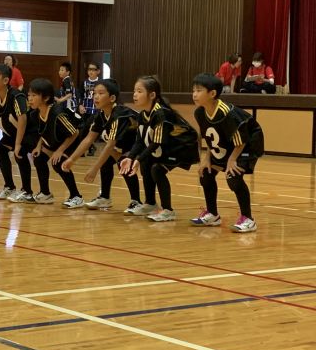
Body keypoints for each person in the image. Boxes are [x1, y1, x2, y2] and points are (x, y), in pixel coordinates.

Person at [119, 76, 199, 222]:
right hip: (166, 147)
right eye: (134, 91)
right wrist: (130, 158)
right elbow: (140, 141)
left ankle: (168, 210)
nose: (135, 95)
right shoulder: (143, 114)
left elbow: (156, 142)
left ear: (152, 95)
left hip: (182, 147)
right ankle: (150, 203)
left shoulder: (161, 113)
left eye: (139, 91)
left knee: (157, 169)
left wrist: (138, 159)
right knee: (146, 163)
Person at [191, 73, 264, 233]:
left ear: (212, 93)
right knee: (206, 174)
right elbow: (210, 137)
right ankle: (213, 215)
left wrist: (232, 160)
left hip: (248, 144)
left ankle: (248, 219)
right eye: (193, 90)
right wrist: (207, 158)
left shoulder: (226, 113)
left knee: (234, 178)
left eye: (199, 90)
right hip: (228, 145)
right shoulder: (200, 113)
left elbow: (241, 140)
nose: (194, 94)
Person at [62, 79, 142, 212]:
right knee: (106, 162)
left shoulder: (119, 115)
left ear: (112, 98)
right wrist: (71, 159)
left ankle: (137, 201)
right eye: (94, 93)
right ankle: (105, 197)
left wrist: (94, 169)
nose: (96, 97)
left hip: (143, 145)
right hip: (125, 146)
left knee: (123, 163)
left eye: (100, 93)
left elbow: (110, 145)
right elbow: (88, 139)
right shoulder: (100, 115)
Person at [28, 78, 84, 208]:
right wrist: (38, 146)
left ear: (46, 98)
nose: (30, 99)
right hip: (57, 141)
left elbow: (74, 133)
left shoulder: (58, 114)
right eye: (29, 95)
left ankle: (76, 196)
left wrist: (60, 151)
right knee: (39, 158)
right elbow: (42, 131)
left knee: (59, 163)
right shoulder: (34, 114)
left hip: (73, 140)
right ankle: (45, 193)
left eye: (34, 96)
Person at [0, 63, 35, 202]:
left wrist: (18, 144)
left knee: (20, 153)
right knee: (0, 150)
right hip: (11, 134)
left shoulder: (16, 96)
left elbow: (23, 119)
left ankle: (27, 192)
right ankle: (9, 187)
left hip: (28, 133)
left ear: (6, 80)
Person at [78, 62, 102, 156]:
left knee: (91, 130)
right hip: (85, 109)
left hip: (96, 110)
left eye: (93, 69)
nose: (91, 71)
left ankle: (90, 147)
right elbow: (80, 95)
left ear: (98, 71)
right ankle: (87, 148)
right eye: (89, 69)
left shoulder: (101, 83)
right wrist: (80, 105)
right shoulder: (84, 82)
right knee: (84, 129)